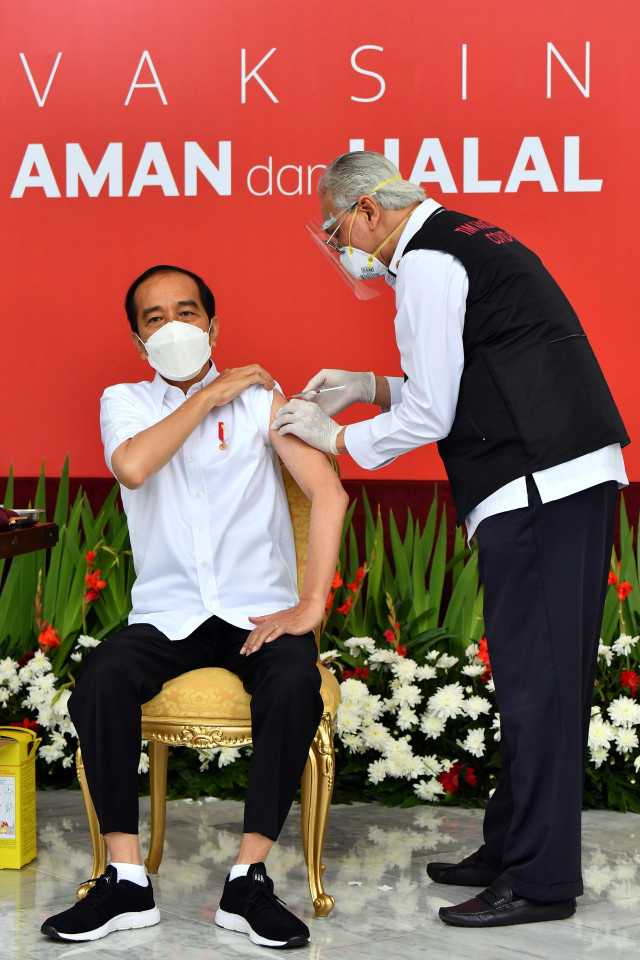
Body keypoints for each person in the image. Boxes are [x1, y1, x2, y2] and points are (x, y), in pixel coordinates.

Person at [272, 151, 629, 928]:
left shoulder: (429, 261)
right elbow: (476, 373)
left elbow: (435, 414)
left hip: (538, 483)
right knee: (538, 681)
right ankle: (512, 847)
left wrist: (339, 439)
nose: (343, 250)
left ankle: (538, 882)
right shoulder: (465, 237)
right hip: (561, 475)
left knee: (540, 687)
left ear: (370, 209)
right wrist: (369, 387)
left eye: (339, 231)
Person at [40, 264, 348, 947]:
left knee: (296, 679)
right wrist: (209, 398)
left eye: (187, 311)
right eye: (155, 317)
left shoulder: (264, 403)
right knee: (102, 679)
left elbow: (329, 494)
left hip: (255, 612)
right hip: (168, 615)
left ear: (214, 324)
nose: (174, 326)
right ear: (137, 338)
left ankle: (248, 881)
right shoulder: (124, 399)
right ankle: (125, 882)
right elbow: (134, 467)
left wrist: (310, 604)